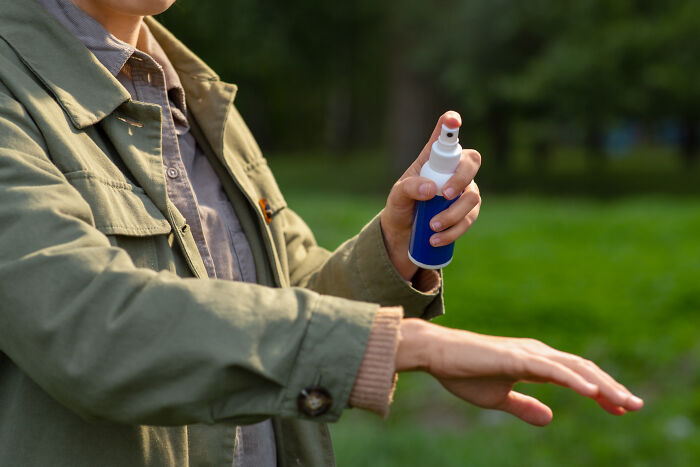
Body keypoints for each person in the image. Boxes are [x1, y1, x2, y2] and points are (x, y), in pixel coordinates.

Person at [0, 0, 643, 465]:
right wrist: (405, 345)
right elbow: (86, 325)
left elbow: (288, 291)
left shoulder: (190, 92)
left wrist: (390, 247)